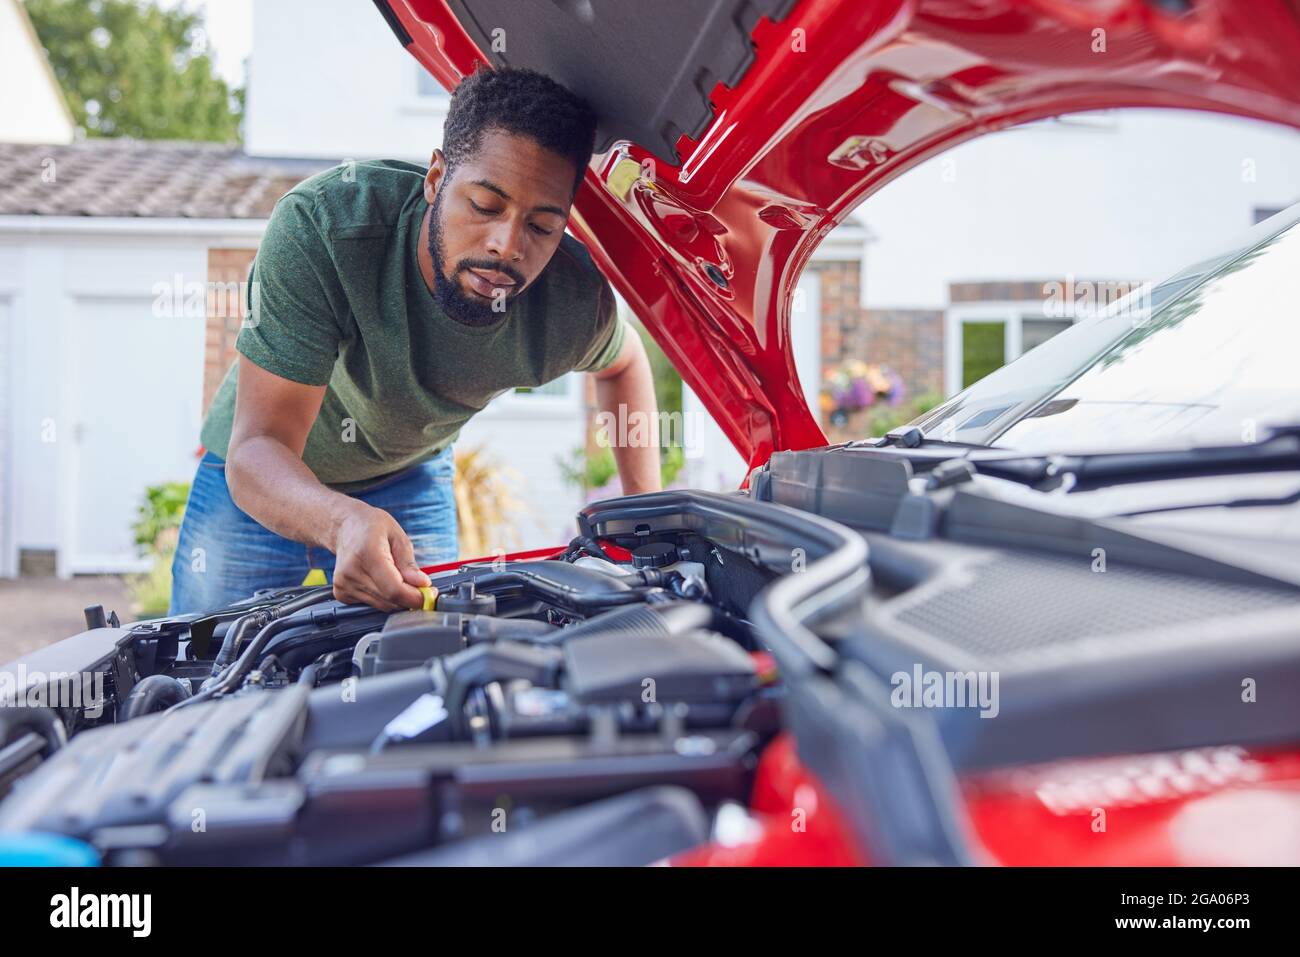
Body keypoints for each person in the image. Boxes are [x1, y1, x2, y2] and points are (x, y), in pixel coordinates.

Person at [169, 67, 659, 614]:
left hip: (410, 474)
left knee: (422, 662)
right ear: (435, 178)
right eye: (485, 205)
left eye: (542, 226)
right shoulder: (325, 230)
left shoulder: (570, 302)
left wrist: (641, 522)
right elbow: (260, 446)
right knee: (205, 665)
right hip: (266, 475)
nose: (507, 245)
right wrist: (342, 518)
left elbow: (624, 364)